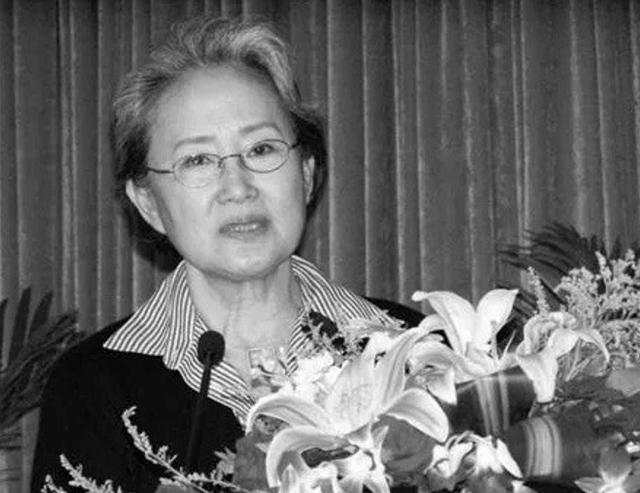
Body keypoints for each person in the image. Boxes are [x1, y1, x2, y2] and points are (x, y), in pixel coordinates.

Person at [31, 17, 423, 492]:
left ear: (305, 174)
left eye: (261, 149)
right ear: (149, 203)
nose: (238, 188)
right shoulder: (92, 388)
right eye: (197, 160)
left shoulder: (413, 352)